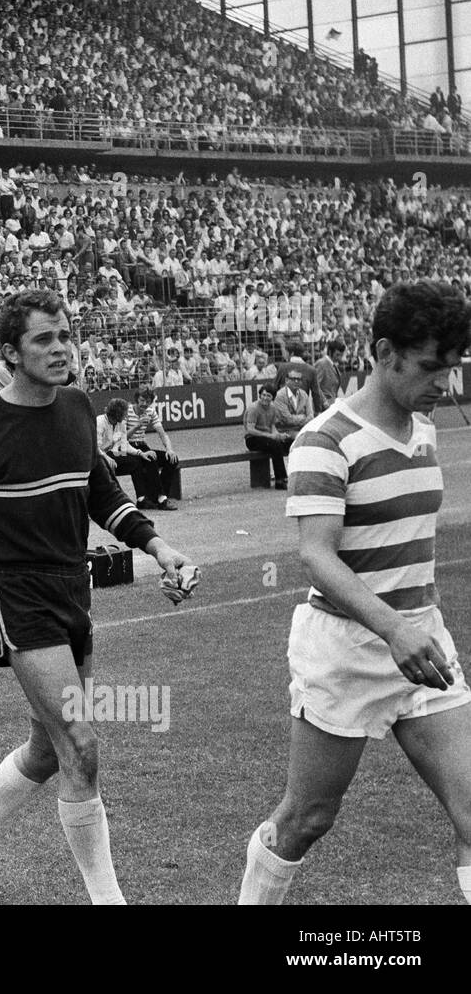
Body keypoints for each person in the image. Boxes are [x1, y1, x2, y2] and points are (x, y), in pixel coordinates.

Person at [0, 289, 194, 905]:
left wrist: (158, 548)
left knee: (48, 750)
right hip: (18, 593)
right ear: (9, 352)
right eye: (43, 339)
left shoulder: (77, 407)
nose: (60, 348)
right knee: (82, 745)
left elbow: (102, 492)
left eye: (64, 335)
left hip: (75, 587)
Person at [239, 281, 471, 906]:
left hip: (424, 645)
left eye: (453, 369)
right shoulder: (325, 439)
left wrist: (412, 627)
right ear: (384, 351)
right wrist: (391, 629)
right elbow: (316, 554)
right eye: (430, 368)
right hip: (349, 648)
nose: (444, 386)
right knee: (306, 820)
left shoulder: (422, 431)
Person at [124, 386, 180, 510]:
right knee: (151, 459)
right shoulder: (127, 412)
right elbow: (122, 438)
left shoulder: (150, 411)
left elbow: (162, 433)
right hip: (128, 447)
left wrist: (169, 450)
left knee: (172, 460)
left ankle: (157, 495)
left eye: (148, 401)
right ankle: (161, 499)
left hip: (142, 445)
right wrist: (137, 426)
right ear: (137, 399)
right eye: (142, 400)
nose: (145, 404)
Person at [97, 397, 159, 496]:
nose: (126, 415)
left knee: (136, 462)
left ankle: (142, 498)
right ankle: (116, 496)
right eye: (125, 413)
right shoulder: (100, 422)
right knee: (110, 463)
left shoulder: (120, 423)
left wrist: (141, 453)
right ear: (118, 413)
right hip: (97, 456)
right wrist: (106, 458)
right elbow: (95, 447)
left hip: (109, 455)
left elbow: (124, 444)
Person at [243, 383, 291, 490]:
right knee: (275, 446)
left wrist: (278, 435)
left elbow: (272, 426)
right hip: (252, 439)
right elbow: (250, 429)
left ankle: (294, 474)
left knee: (289, 442)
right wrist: (270, 436)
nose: (265, 398)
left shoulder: (273, 408)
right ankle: (281, 480)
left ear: (272, 397)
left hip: (267, 438)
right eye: (263, 395)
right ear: (260, 395)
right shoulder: (254, 408)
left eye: (268, 396)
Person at [273, 366, 313, 439]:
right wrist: (303, 417)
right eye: (293, 379)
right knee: (303, 438)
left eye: (299, 379)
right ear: (286, 380)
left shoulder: (304, 394)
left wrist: (298, 419)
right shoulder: (280, 396)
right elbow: (287, 419)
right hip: (285, 431)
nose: (296, 381)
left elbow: (310, 416)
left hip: (302, 429)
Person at [314, 339, 347, 411]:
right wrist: (324, 402)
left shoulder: (333, 365)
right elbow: (315, 385)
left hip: (331, 404)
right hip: (323, 406)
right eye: (337, 354)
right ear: (330, 352)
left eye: (341, 355)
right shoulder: (322, 363)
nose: (339, 358)